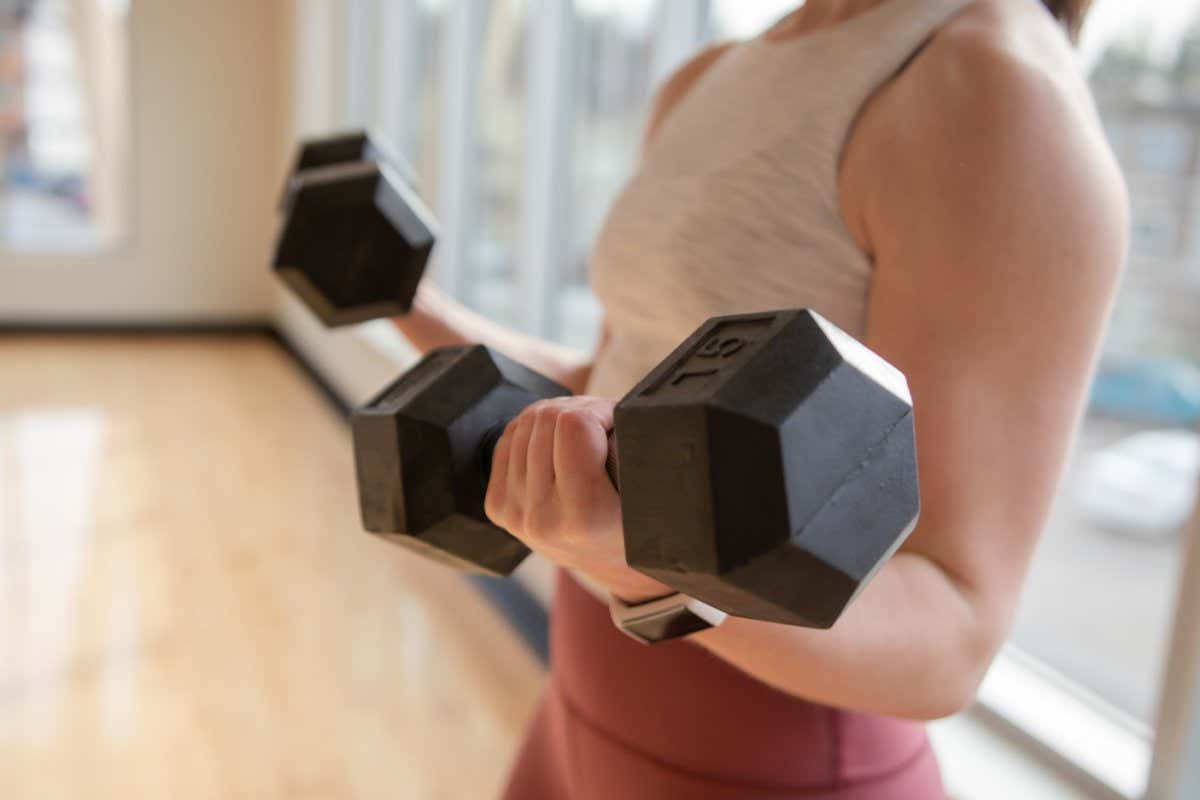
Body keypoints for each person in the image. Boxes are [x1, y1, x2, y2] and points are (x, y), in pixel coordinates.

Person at [392, 0, 1128, 797]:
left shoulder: (991, 94)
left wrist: (641, 563)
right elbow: (619, 398)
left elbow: (952, 636)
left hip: (771, 763)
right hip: (582, 708)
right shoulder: (713, 74)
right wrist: (406, 300)